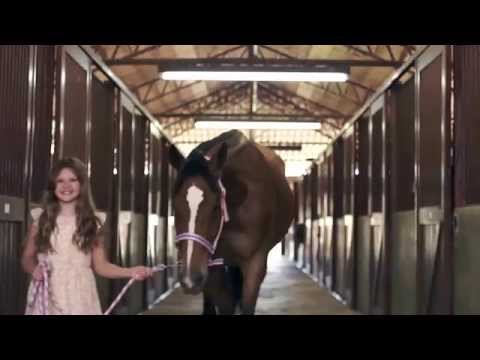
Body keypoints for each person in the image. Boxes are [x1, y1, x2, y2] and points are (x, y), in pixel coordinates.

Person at [21, 157, 153, 315]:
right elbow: (27, 257)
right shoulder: (41, 220)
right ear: (53, 186)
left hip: (80, 296)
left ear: (81, 184)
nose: (66, 186)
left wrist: (130, 271)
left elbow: (101, 266)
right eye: (60, 181)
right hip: (48, 292)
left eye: (72, 180)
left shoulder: (92, 223)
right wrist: (34, 269)